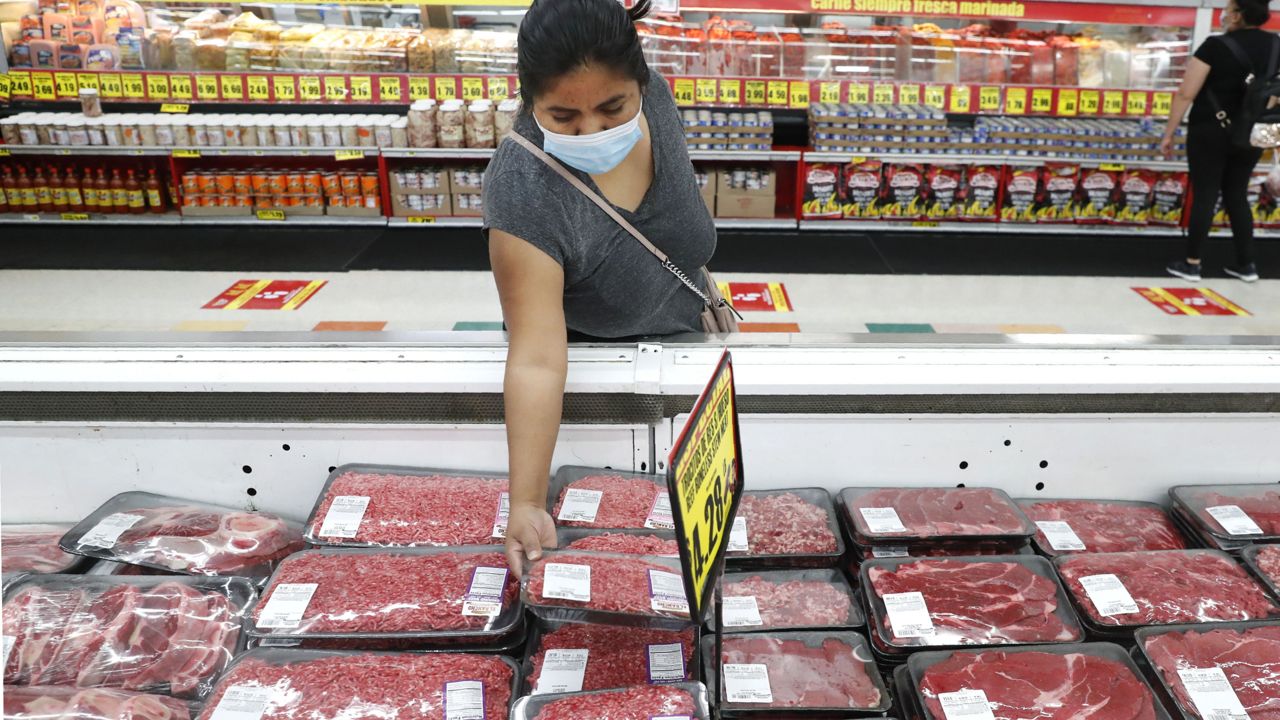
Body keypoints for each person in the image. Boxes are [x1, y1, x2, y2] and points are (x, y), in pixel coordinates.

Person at [482, 0, 718, 574]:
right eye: (563, 116)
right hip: (599, 384)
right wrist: (529, 502)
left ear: (640, 83)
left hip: (691, 340)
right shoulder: (523, 188)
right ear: (529, 97)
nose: (592, 131)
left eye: (613, 108)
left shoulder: (656, 98)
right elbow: (537, 358)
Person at [1161, 0, 1276, 283]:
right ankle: (1246, 265)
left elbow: (1186, 93)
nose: (1224, 14)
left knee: (1206, 193)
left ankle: (1192, 264)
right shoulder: (1276, 45)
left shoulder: (1215, 45)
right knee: (1237, 193)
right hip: (1254, 131)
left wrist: (1168, 133)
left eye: (1227, 9)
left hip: (1209, 130)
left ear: (1237, 16)